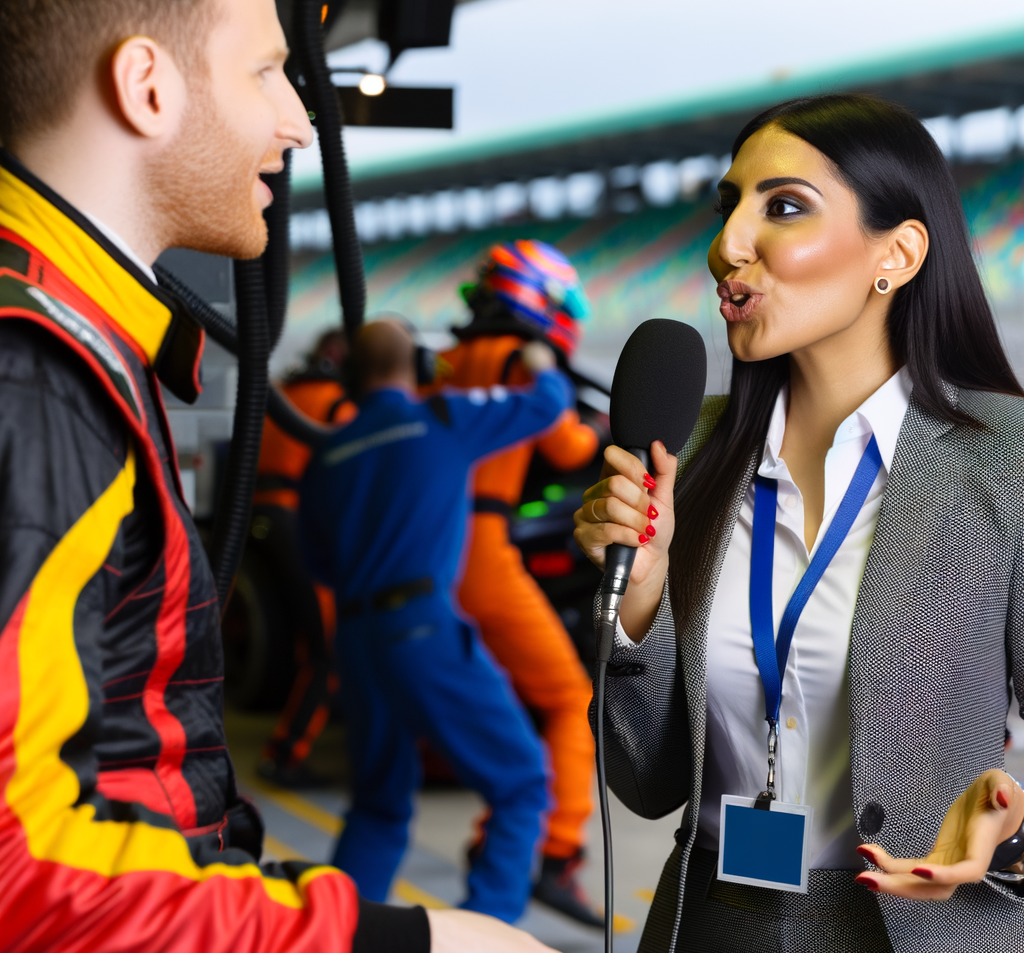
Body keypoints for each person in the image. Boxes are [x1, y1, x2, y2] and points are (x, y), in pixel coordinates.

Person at [0, 0, 554, 950]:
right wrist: (404, 942)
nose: (300, 120)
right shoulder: (32, 370)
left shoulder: (72, 341)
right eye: (267, 71)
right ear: (146, 86)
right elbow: (18, 876)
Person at [574, 94, 1024, 952]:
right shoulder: (688, 450)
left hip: (924, 931)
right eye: (728, 206)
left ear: (897, 253)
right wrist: (640, 601)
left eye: (782, 207)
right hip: (708, 922)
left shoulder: (1008, 458)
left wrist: (1013, 815)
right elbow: (646, 778)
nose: (726, 246)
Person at [299, 318, 576, 923]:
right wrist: (541, 359)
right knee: (523, 782)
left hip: (355, 638)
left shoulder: (326, 453)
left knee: (378, 803)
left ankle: (339, 933)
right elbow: (548, 406)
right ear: (419, 369)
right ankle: (486, 929)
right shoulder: (443, 418)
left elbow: (316, 560)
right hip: (421, 627)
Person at [442, 240, 603, 925]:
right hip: (483, 549)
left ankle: (496, 849)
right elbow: (568, 449)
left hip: (429, 549)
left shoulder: (446, 362)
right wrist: (597, 425)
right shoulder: (523, 363)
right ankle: (556, 854)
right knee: (570, 700)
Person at [253, 329, 354, 786]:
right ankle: (284, 756)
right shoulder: (336, 402)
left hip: (261, 520)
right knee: (327, 650)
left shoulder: (285, 392)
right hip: (295, 519)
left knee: (307, 641)